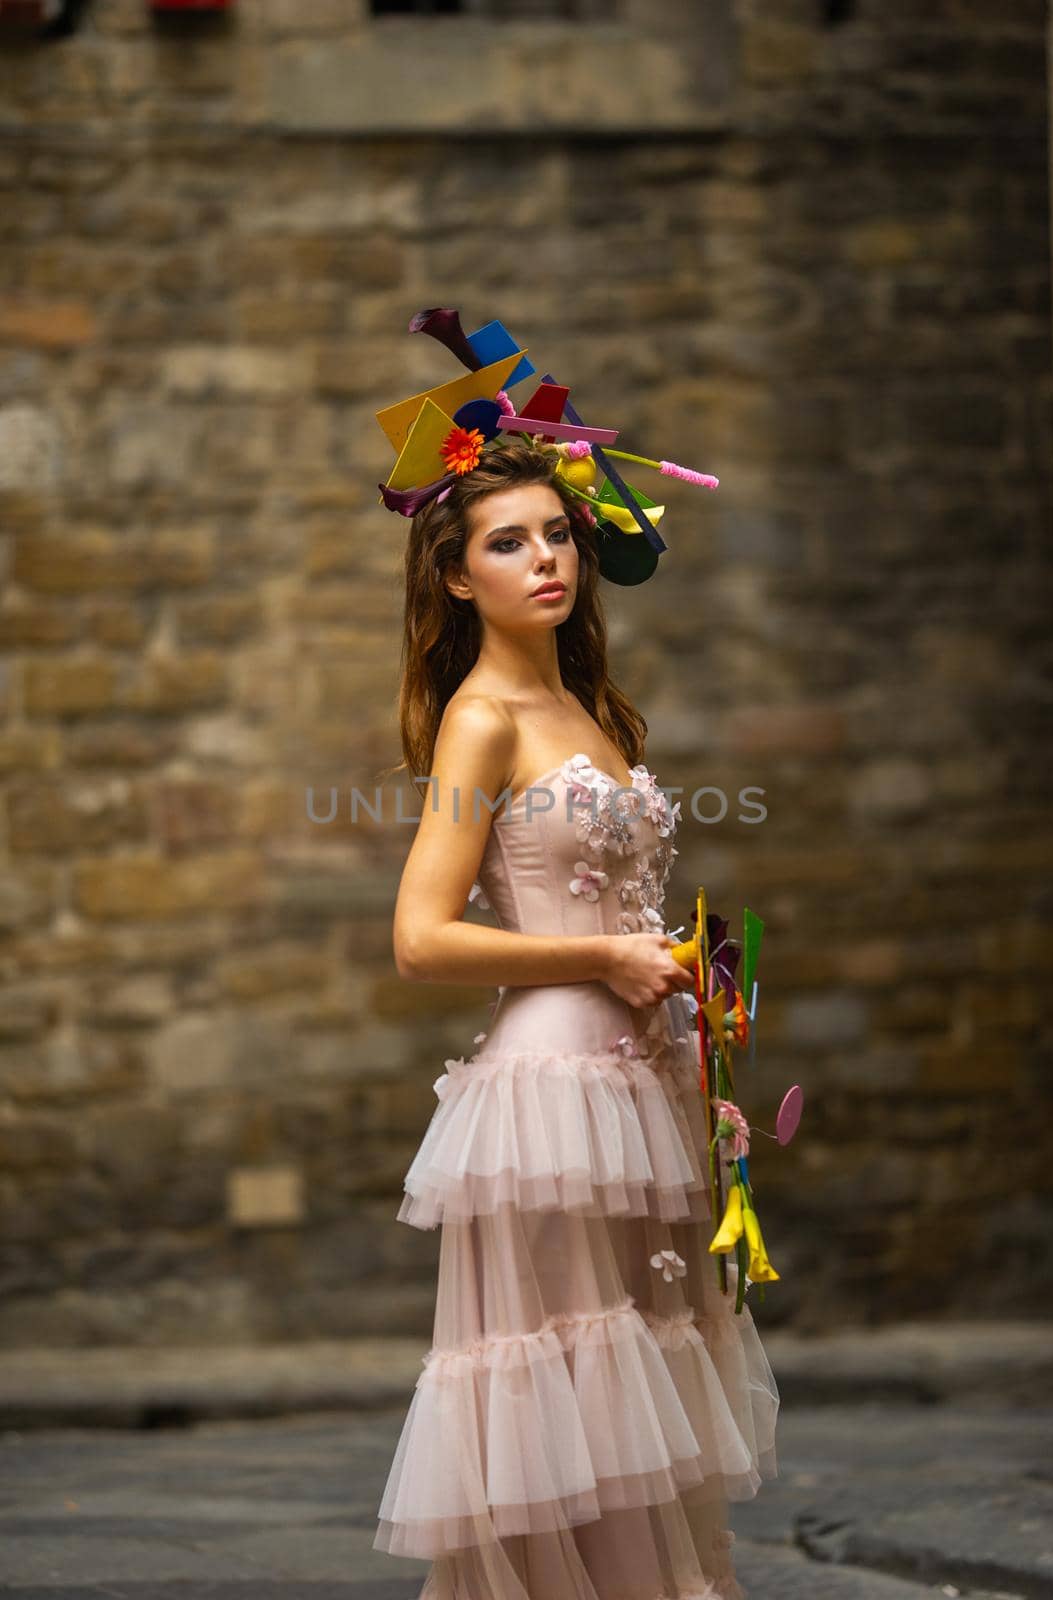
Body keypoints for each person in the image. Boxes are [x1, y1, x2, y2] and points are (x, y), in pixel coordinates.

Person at [371, 434, 780, 1600]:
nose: (545, 557)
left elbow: (623, 897)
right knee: (571, 1390)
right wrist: (604, 951)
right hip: (551, 1100)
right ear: (457, 576)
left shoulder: (587, 702)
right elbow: (421, 937)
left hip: (642, 1086)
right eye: (508, 542)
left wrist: (678, 971)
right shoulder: (482, 718)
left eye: (557, 532)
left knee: (640, 1387)